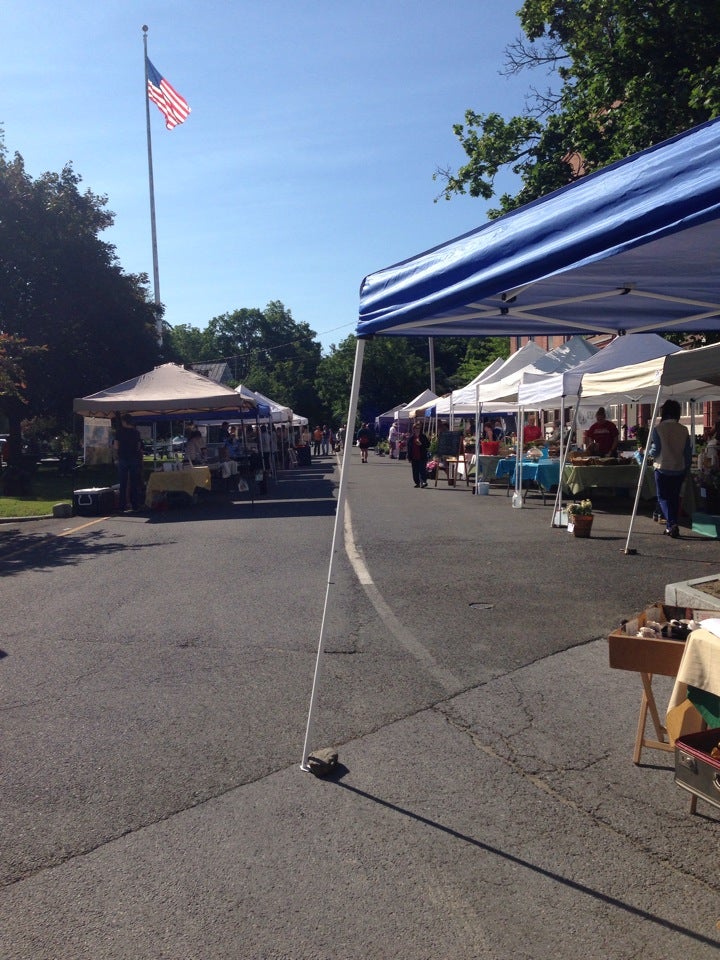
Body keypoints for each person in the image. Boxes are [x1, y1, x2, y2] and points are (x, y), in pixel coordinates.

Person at [648, 398, 691, 538]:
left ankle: (672, 523)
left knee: (663, 498)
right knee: (674, 498)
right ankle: (670, 526)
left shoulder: (658, 429)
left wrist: (647, 453)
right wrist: (687, 467)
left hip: (662, 467)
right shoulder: (684, 430)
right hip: (679, 467)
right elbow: (687, 452)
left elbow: (656, 450)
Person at [114, 413, 143, 511]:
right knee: (134, 482)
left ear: (124, 422)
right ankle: (135, 504)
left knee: (123, 482)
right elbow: (139, 445)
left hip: (122, 457)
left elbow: (116, 445)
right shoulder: (136, 432)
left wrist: (116, 456)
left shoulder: (119, 432)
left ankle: (122, 504)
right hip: (134, 457)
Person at [407, 421, 430, 487]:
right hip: (414, 456)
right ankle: (417, 482)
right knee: (415, 471)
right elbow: (409, 448)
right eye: (416, 428)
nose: (417, 430)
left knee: (422, 470)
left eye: (418, 428)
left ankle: (423, 482)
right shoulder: (411, 438)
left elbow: (428, 445)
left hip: (422, 456)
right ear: (413, 429)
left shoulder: (423, 436)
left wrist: (421, 444)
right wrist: (409, 457)